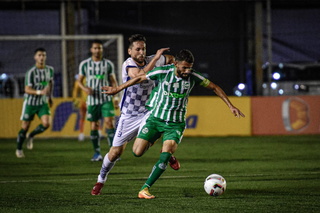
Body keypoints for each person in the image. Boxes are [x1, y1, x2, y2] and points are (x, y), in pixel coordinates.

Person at [100, 49, 245, 199]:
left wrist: (231, 105)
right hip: (155, 120)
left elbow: (214, 87)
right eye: (184, 67)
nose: (188, 71)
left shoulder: (193, 76)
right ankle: (165, 151)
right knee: (137, 152)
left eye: (190, 67)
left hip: (175, 124)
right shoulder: (163, 72)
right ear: (175, 64)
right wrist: (117, 89)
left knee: (165, 152)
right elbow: (139, 78)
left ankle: (145, 189)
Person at [90, 34, 180, 196]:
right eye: (137, 49)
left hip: (150, 111)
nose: (141, 52)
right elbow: (138, 76)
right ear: (130, 51)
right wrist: (157, 59)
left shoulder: (154, 59)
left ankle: (166, 152)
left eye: (143, 49)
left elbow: (171, 58)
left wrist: (172, 63)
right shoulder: (128, 64)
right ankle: (101, 179)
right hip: (129, 115)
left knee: (154, 134)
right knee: (115, 152)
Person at [78, 39, 119, 161]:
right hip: (92, 100)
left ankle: (113, 153)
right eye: (95, 48)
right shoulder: (85, 64)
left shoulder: (108, 64)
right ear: (91, 50)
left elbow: (113, 81)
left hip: (106, 98)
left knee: (109, 123)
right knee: (94, 125)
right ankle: (97, 153)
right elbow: (79, 82)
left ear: (102, 49)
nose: (97, 50)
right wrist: (85, 89)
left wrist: (116, 97)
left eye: (99, 48)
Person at [16, 47, 54, 158]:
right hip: (30, 103)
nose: (41, 57)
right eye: (39, 55)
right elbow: (26, 89)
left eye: (43, 55)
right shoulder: (31, 72)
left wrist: (50, 97)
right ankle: (19, 149)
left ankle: (31, 135)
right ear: (35, 57)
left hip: (42, 103)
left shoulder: (50, 70)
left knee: (46, 124)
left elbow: (50, 83)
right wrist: (39, 92)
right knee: (25, 126)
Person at [72, 75, 104, 141]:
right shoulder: (83, 80)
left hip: (90, 101)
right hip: (85, 102)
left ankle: (97, 132)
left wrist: (74, 100)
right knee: (86, 117)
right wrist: (75, 100)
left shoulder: (85, 79)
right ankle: (83, 134)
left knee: (93, 117)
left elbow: (75, 90)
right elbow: (75, 90)